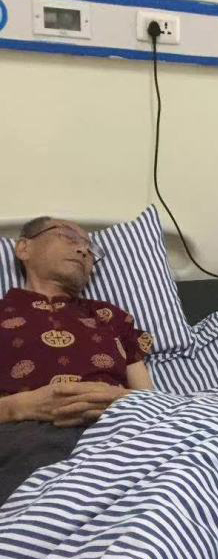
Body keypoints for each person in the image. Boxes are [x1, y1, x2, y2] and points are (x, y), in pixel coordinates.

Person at [0, 216, 153, 505]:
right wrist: (23, 406)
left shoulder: (111, 317)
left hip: (120, 434)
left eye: (90, 248)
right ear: (24, 248)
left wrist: (121, 400)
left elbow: (150, 401)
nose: (83, 250)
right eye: (69, 237)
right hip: (27, 436)